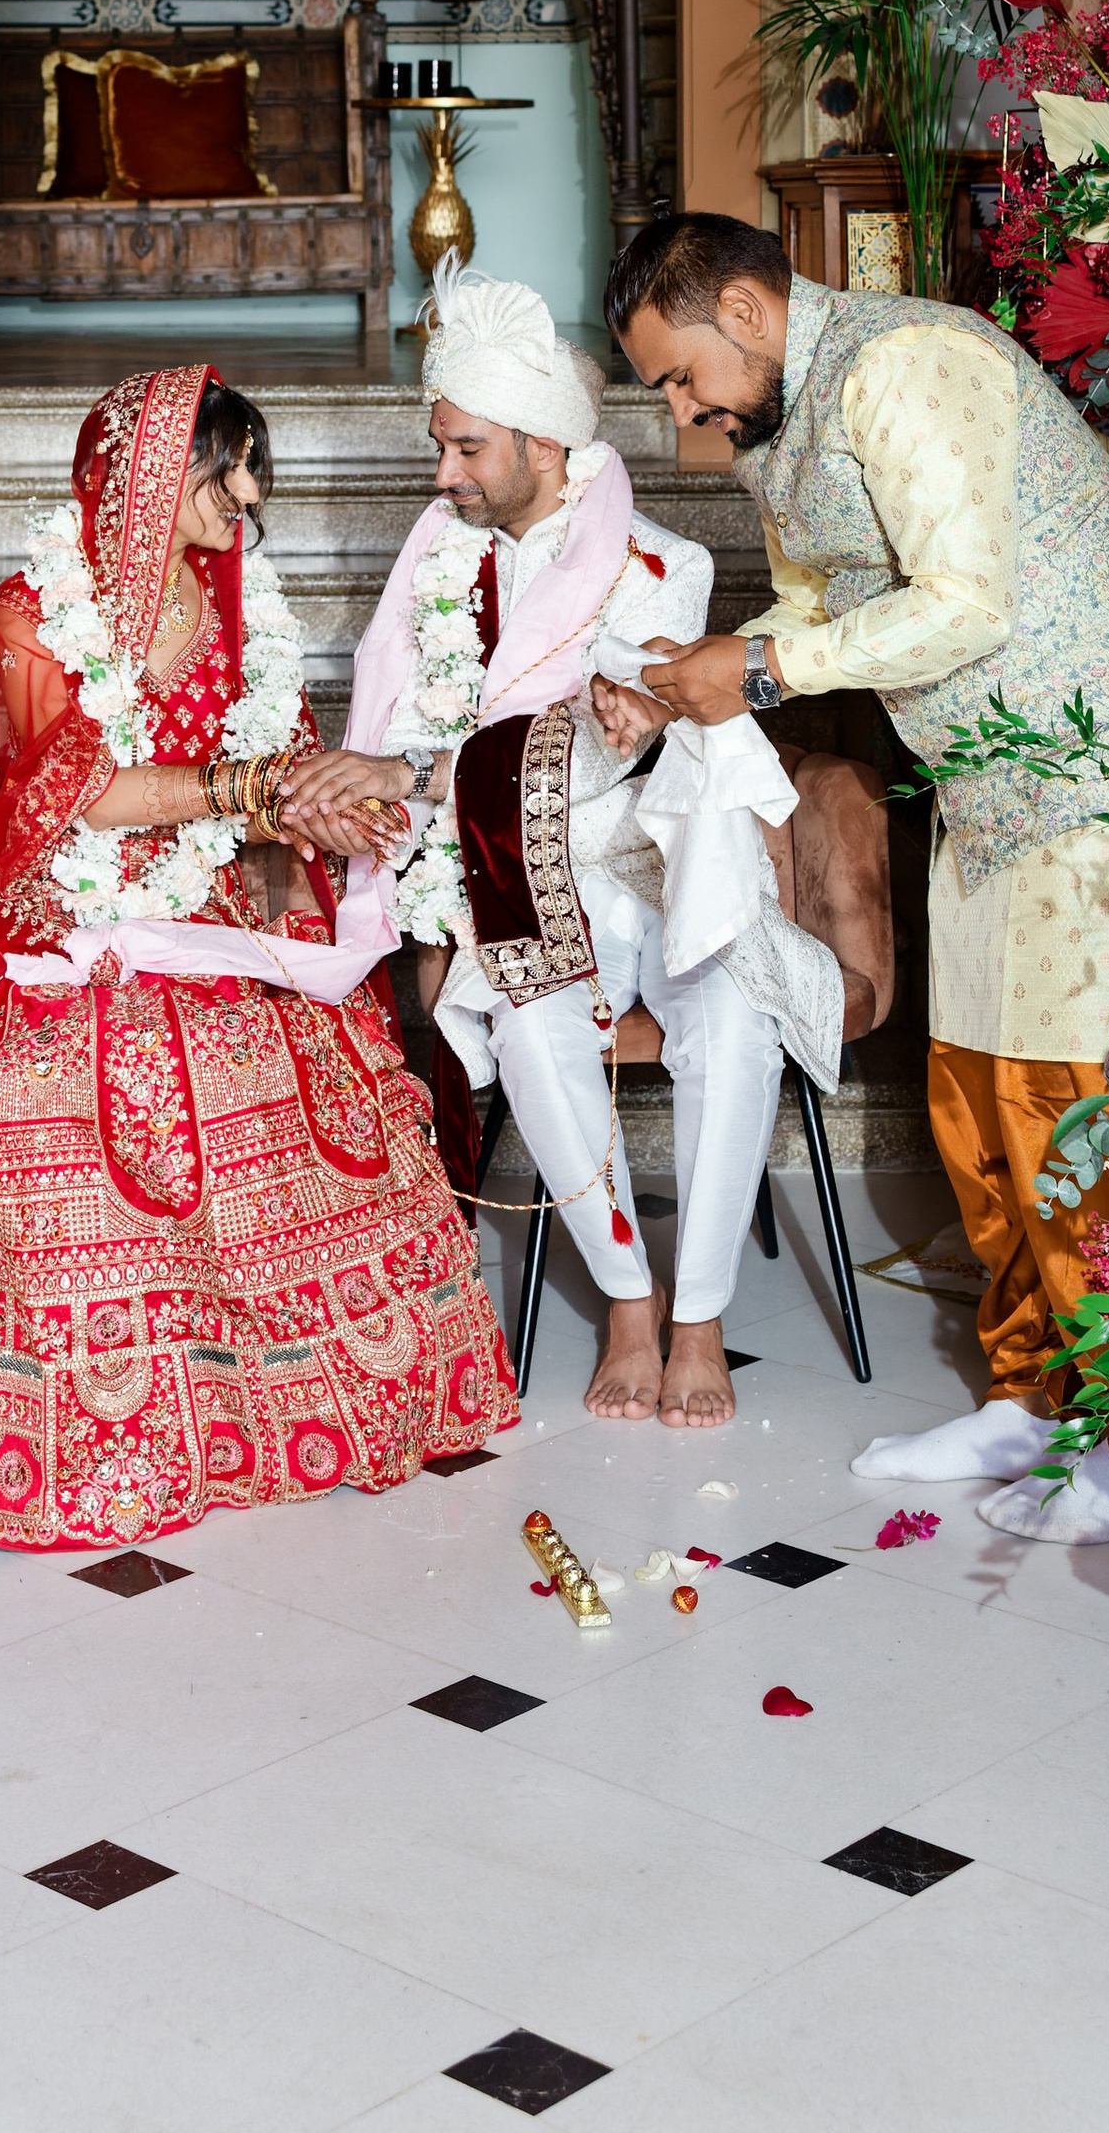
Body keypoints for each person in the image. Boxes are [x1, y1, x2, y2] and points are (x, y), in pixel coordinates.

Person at [0, 366, 516, 1547]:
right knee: (56, 1062)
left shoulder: (235, 591)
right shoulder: (31, 613)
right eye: (224, 467)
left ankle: (272, 1379)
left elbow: (277, 744)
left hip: (205, 888)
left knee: (266, 1045)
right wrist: (245, 789)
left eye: (251, 472)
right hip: (62, 899)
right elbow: (72, 792)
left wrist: (317, 810)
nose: (244, 496)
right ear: (144, 473)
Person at [604, 210, 1109, 1546]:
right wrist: (694, 674)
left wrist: (761, 674)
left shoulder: (909, 361)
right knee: (971, 1100)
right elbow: (818, 611)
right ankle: (1030, 1394)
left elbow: (966, 602)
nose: (682, 406)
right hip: (991, 792)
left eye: (681, 373)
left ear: (745, 308)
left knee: (1084, 1113)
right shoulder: (783, 428)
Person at [284, 263, 828, 1435]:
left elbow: (581, 750)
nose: (444, 475)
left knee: (733, 1026)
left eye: (467, 450)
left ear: (539, 444)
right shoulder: (436, 557)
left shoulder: (661, 563)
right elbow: (409, 708)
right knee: (531, 1023)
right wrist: (374, 786)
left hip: (659, 859)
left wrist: (420, 769)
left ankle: (701, 1321)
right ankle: (630, 1305)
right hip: (517, 869)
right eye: (444, 447)